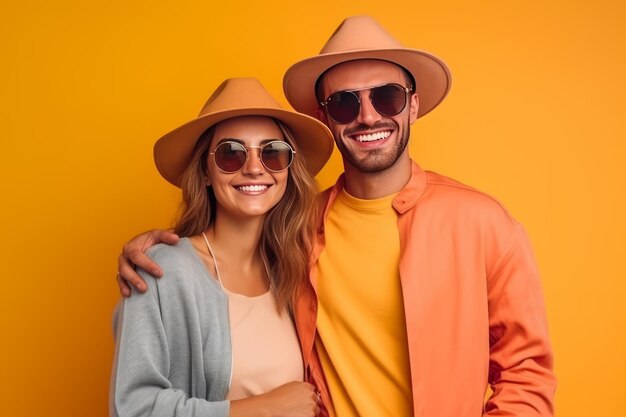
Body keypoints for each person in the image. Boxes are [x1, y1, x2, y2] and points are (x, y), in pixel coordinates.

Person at [116, 16, 556, 417]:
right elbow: (220, 247)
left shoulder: (482, 223)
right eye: (345, 103)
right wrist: (159, 251)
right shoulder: (299, 230)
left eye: (387, 97)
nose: (368, 116)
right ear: (324, 117)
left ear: (413, 105)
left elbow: (527, 374)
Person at [110, 77, 335, 417]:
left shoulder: (293, 270)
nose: (255, 167)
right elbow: (132, 407)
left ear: (289, 170)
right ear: (204, 171)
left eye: (272, 152)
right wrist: (264, 409)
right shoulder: (163, 272)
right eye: (231, 154)